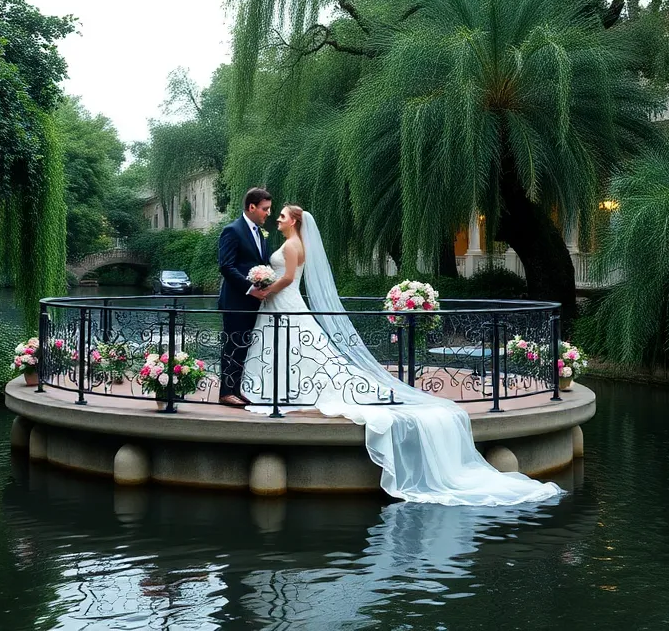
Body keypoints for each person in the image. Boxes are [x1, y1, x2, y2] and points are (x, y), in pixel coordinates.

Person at [241, 206, 563, 507]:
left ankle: (289, 390)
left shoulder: (294, 245)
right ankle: (282, 389)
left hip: (286, 300)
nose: (277, 219)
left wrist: (266, 287)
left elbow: (287, 278)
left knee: (303, 348)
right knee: (292, 348)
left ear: (295, 221)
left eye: (281, 215)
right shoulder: (290, 242)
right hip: (280, 304)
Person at [215, 187, 273, 407]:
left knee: (244, 346)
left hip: (252, 301)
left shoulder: (259, 233)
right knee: (232, 345)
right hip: (236, 300)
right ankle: (225, 392)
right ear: (251, 207)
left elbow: (258, 262)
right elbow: (226, 266)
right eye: (264, 209)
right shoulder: (232, 230)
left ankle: (236, 389)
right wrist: (250, 288)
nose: (268, 213)